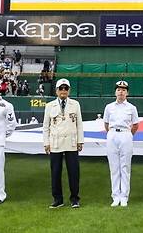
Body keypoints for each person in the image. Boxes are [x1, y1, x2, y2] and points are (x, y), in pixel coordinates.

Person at [43, 78, 83, 209]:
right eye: (61, 88)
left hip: (71, 142)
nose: (63, 91)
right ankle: (57, 199)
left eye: (66, 88)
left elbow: (79, 125)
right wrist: (46, 143)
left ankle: (75, 199)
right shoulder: (49, 106)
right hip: (55, 143)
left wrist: (80, 141)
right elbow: (46, 127)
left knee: (74, 172)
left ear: (69, 90)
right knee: (55, 172)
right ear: (56, 91)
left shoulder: (75, 104)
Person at [103, 80, 139, 207]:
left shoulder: (131, 108)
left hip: (126, 134)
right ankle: (115, 196)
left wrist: (127, 135)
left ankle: (124, 196)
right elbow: (106, 124)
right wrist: (113, 133)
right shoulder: (109, 107)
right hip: (112, 134)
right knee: (114, 167)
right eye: (118, 89)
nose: (121, 92)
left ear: (127, 93)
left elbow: (135, 125)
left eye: (123, 90)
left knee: (125, 167)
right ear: (115, 92)